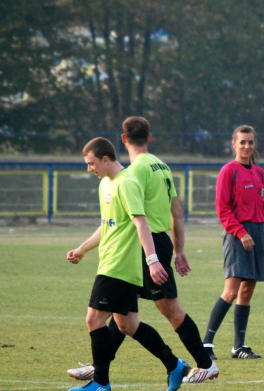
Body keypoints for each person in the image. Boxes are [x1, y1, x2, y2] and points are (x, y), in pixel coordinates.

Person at [67, 118, 218, 385]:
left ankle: (204, 364)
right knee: (122, 316)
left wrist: (152, 259)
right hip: (158, 241)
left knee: (167, 309)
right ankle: (101, 368)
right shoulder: (162, 165)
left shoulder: (132, 172)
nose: (92, 169)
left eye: (92, 164)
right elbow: (177, 211)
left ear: (123, 140)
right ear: (149, 137)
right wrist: (178, 248)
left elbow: (134, 218)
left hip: (142, 245)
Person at [201, 125, 264, 360]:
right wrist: (239, 232)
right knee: (231, 291)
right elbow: (222, 209)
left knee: (246, 292)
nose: (247, 146)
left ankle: (239, 346)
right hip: (238, 235)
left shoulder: (259, 173)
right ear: (234, 144)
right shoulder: (228, 171)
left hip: (258, 235)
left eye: (250, 142)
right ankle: (206, 344)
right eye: (242, 142)